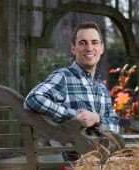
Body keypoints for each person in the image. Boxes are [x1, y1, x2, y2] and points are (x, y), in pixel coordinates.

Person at [23, 21, 120, 161]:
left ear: (102, 48)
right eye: (82, 43)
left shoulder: (102, 88)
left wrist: (97, 119)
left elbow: (115, 126)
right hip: (76, 161)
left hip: (104, 159)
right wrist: (75, 117)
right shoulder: (64, 77)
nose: (89, 47)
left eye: (94, 42)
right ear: (73, 49)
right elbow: (33, 99)